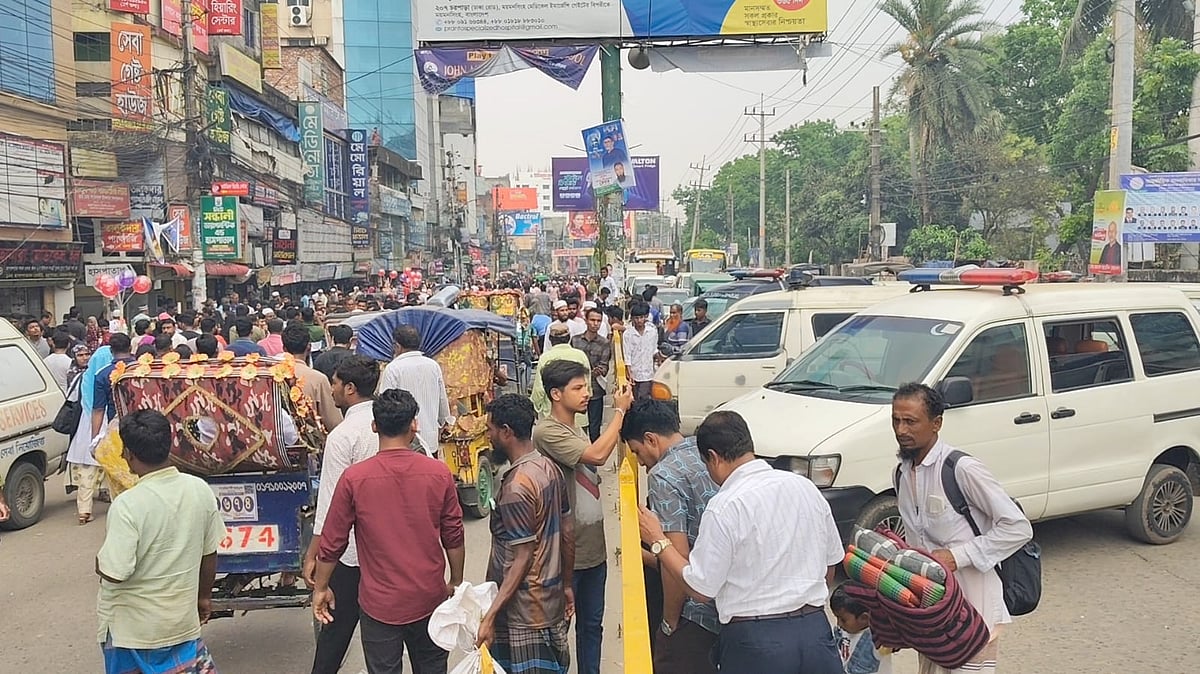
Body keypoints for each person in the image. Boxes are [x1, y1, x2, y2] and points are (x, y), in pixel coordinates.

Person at [637, 410, 845, 673]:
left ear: (713, 457)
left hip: (756, 642)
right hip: (815, 631)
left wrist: (657, 540)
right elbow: (830, 566)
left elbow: (701, 587)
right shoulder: (805, 488)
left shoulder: (725, 506)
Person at [312, 389, 465, 674]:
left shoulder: (354, 478)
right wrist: (455, 580)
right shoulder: (438, 473)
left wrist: (321, 587)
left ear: (375, 426)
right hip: (429, 598)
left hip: (379, 605)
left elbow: (333, 541)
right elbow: (453, 534)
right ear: (414, 425)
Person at [891, 383, 1033, 674]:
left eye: (911, 421)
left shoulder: (961, 469)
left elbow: (1018, 528)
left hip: (973, 614)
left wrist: (957, 557)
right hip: (931, 614)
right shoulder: (901, 474)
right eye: (896, 420)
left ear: (936, 423)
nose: (901, 430)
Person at [95, 410, 224, 673]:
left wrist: (99, 563)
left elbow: (115, 572)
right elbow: (209, 554)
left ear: (129, 454)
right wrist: (204, 598)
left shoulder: (127, 505)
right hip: (182, 625)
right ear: (169, 443)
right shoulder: (199, 490)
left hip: (131, 633)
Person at [533, 360, 633, 674]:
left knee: (592, 626)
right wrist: (619, 411)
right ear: (556, 394)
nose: (586, 393)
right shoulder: (547, 432)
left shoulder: (577, 429)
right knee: (558, 631)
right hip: (566, 554)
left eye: (586, 387)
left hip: (593, 550)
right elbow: (597, 456)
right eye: (577, 388)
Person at [477, 394, 575, 674]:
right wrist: (566, 585)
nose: (488, 437)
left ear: (506, 432)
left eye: (491, 430)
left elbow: (522, 557)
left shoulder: (516, 487)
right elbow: (568, 533)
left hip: (524, 611)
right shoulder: (549, 468)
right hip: (550, 601)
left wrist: (491, 615)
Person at [621, 399, 720, 674]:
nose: (641, 463)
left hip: (695, 612)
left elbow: (676, 557)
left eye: (637, 452)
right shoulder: (705, 452)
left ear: (650, 439)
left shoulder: (663, 476)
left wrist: (668, 623)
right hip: (727, 603)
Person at [305, 356, 381, 674]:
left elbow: (330, 507)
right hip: (387, 553)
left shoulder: (343, 435)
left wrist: (314, 555)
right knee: (386, 638)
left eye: (334, 383)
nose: (332, 389)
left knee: (334, 633)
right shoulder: (391, 425)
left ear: (350, 388)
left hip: (349, 553)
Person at [379, 325, 452, 457]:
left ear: (397, 346)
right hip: (430, 439)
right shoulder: (433, 365)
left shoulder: (393, 369)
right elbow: (442, 399)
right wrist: (444, 421)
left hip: (404, 441)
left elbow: (385, 405)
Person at [281, 324, 343, 432]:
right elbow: (334, 423)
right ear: (309, 347)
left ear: (284, 349)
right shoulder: (318, 379)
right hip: (311, 439)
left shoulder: (274, 375)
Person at [531, 323, 591, 426]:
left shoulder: (546, 358)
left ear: (550, 339)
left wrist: (534, 407)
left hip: (554, 416)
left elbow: (539, 390)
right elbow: (588, 385)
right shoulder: (580, 355)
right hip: (577, 416)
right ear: (569, 338)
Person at [830, 584, 893, 674]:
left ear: (864, 618)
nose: (838, 624)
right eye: (837, 617)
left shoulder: (879, 639)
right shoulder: (843, 630)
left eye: (843, 620)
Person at [572, 307, 612, 443]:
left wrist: (599, 371)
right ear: (586, 320)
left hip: (595, 390)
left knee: (595, 428)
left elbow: (605, 366)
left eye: (598, 321)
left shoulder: (604, 343)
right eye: (592, 320)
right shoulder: (575, 341)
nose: (595, 323)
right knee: (578, 426)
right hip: (577, 389)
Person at [91, 333, 136, 442]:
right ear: (130, 348)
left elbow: (98, 410)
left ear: (111, 350)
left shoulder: (102, 374)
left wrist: (94, 439)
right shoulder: (144, 369)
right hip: (145, 426)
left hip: (117, 428)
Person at [623, 302, 659, 400]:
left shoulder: (652, 331)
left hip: (648, 373)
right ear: (632, 319)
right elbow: (627, 354)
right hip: (634, 372)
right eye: (636, 318)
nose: (639, 320)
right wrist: (629, 373)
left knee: (643, 398)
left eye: (641, 317)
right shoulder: (628, 334)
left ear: (646, 317)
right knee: (634, 399)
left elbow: (654, 349)